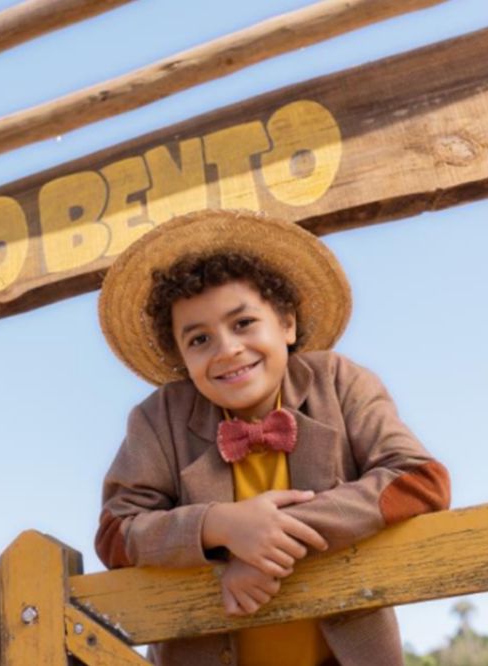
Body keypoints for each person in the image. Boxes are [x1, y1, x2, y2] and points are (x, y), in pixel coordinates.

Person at [94, 209, 450, 666]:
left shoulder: (340, 382)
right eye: (199, 340)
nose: (227, 350)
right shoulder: (158, 417)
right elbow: (115, 535)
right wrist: (221, 527)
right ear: (182, 358)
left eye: (243, 323)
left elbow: (419, 480)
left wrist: (268, 542)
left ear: (287, 323)